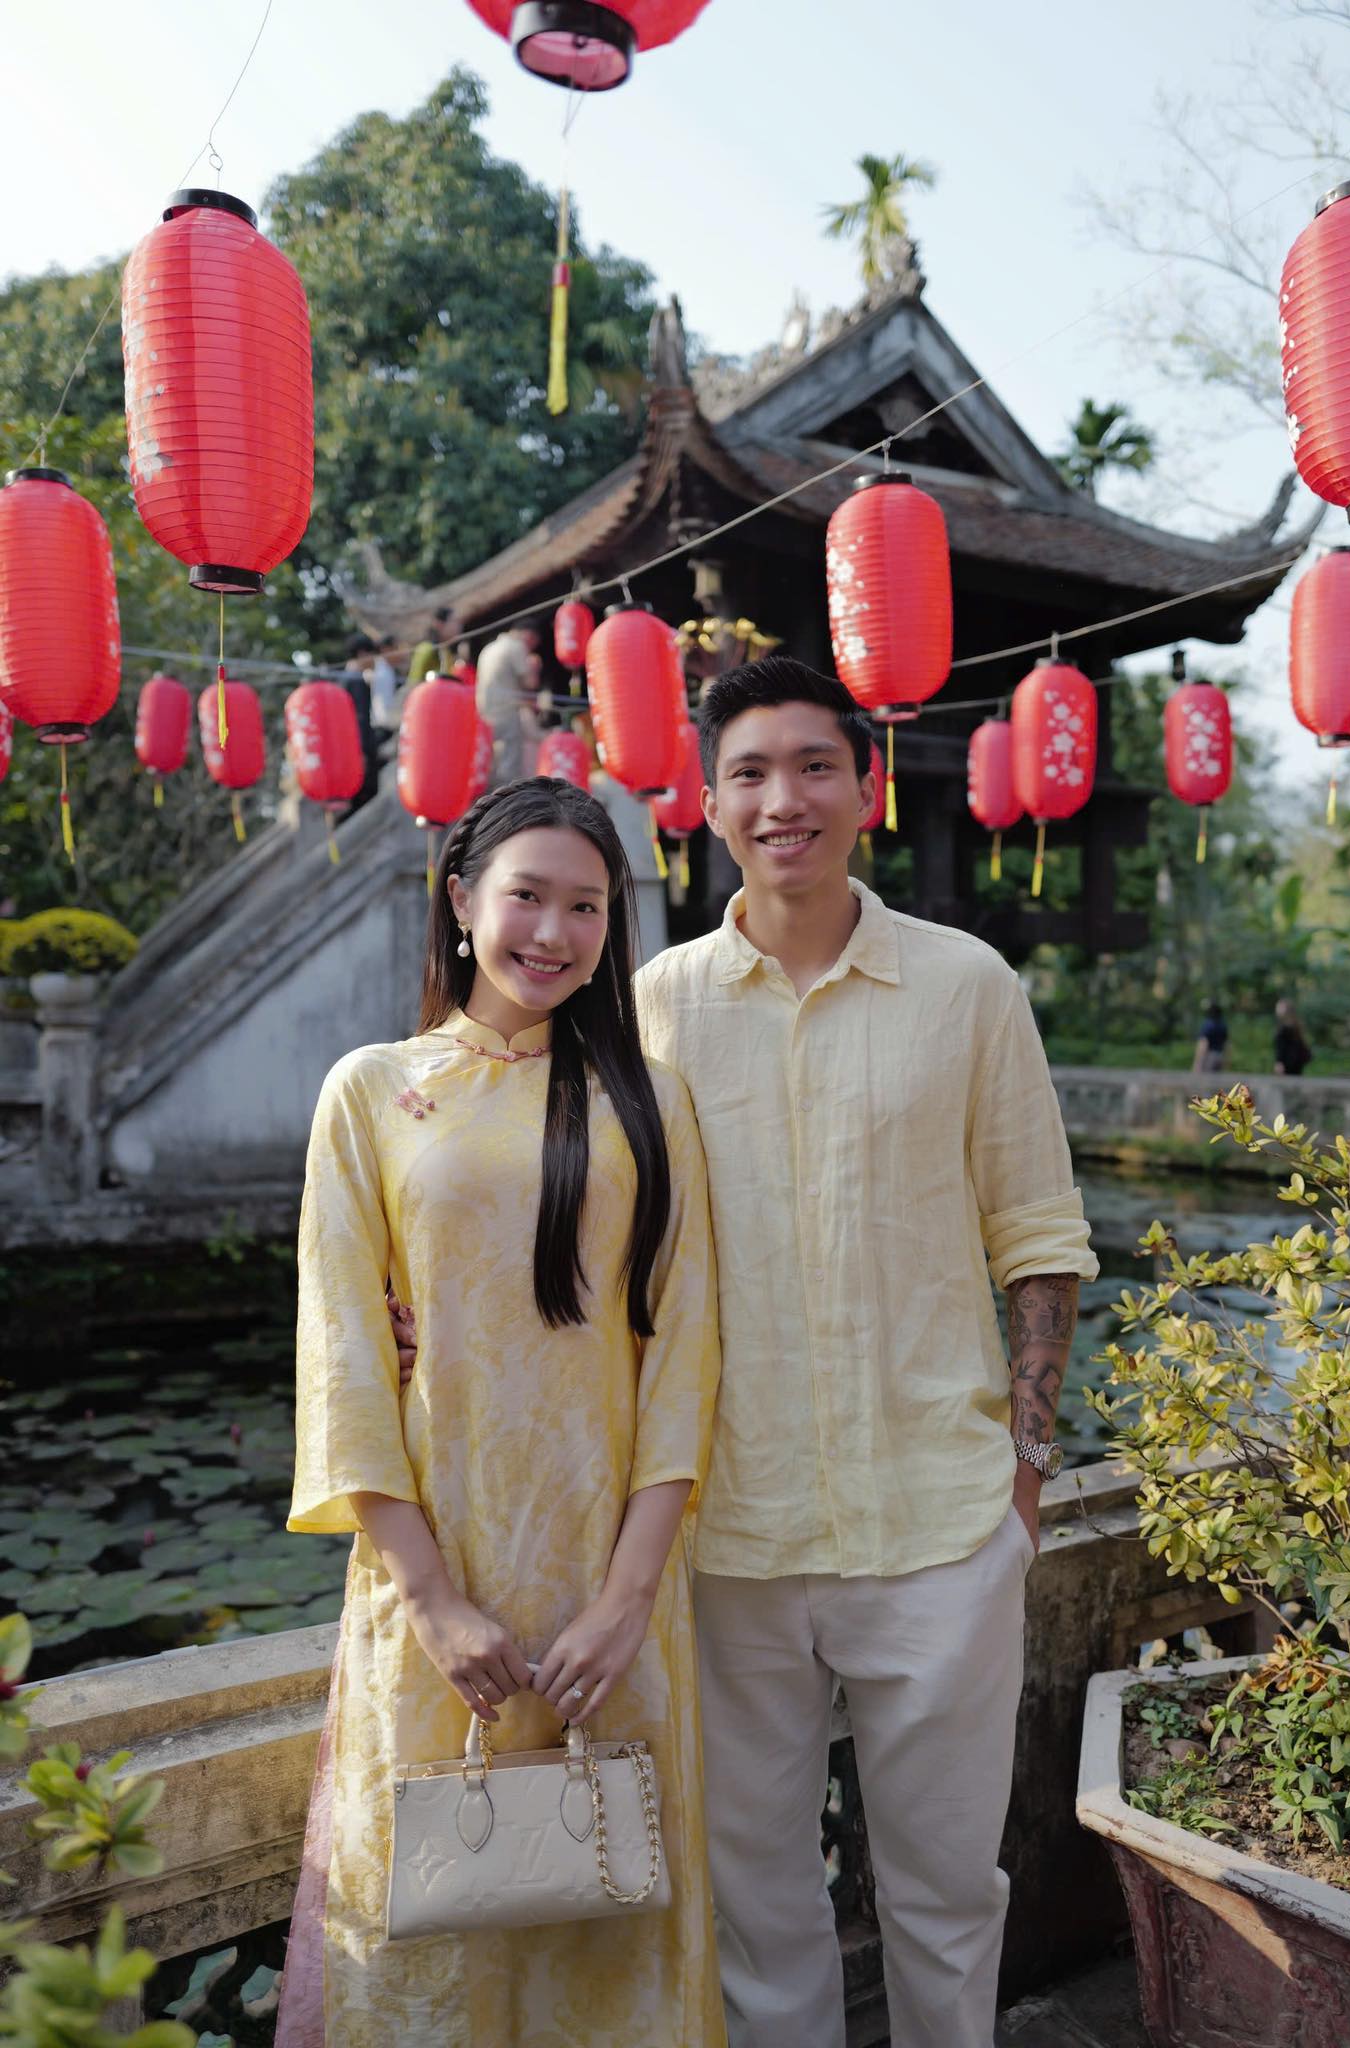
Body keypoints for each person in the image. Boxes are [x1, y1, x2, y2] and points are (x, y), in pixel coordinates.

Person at [393, 657, 1098, 2048]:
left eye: (815, 766)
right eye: (751, 774)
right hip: (719, 1539)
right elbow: (536, 1175)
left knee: (948, 1894)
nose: (786, 800)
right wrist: (414, 1283)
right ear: (708, 807)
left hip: (937, 1525)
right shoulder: (652, 1003)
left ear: (865, 787)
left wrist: (1021, 1473)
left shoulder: (966, 988)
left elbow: (1038, 1234)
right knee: (758, 1900)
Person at [279, 779, 724, 2047]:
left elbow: (683, 1356)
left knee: (614, 1931)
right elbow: (342, 1353)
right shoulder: (370, 1090)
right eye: (527, 894)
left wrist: (626, 1599)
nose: (554, 931)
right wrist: (429, 1597)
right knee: (429, 1943)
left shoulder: (651, 1099)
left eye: (587, 906)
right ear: (462, 901)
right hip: (437, 1587)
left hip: (609, 1595)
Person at [476, 626, 541, 787]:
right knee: (510, 760)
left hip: (484, 708)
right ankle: (507, 795)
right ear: (529, 635)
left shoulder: (489, 648)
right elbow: (529, 682)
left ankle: (487, 793)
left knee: (490, 758)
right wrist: (534, 667)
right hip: (507, 708)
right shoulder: (516, 646)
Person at [340, 635, 381, 806]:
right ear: (363, 653)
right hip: (360, 749)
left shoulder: (344, 678)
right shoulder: (356, 680)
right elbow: (360, 717)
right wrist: (362, 751)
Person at [1273, 996, 1312, 1076]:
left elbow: (1282, 1047)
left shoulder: (1286, 1028)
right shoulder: (1295, 1026)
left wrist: (1279, 1062)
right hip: (1296, 1065)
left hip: (1289, 1065)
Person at [1193, 999, 1228, 1074]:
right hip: (1220, 1056)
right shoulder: (1223, 1025)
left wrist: (1197, 1063)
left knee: (1207, 1080)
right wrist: (1226, 1060)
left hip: (1209, 1057)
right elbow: (1226, 1044)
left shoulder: (1208, 1025)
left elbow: (1203, 1044)